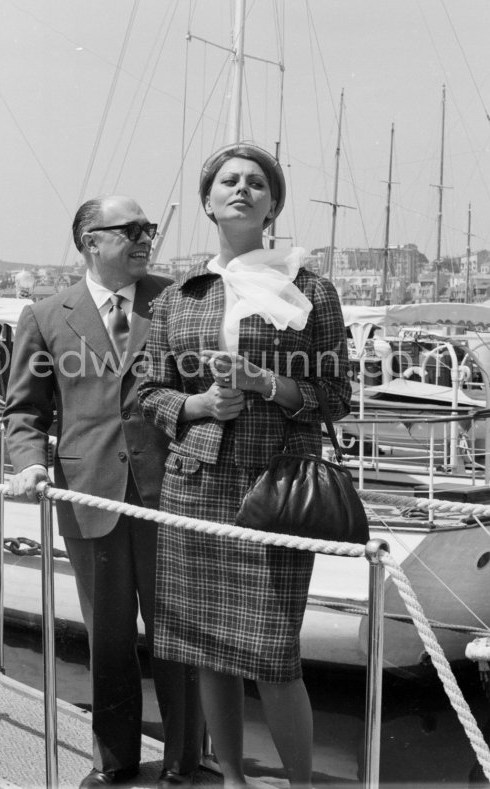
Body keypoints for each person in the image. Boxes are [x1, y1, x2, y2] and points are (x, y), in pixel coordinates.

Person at [138, 143, 351, 789]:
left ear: (273, 203)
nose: (242, 189)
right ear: (208, 202)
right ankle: (231, 779)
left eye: (256, 182)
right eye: (228, 181)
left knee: (277, 657)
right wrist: (199, 402)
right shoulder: (180, 297)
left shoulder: (311, 289)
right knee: (209, 651)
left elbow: (336, 395)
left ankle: (301, 786)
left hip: (276, 487)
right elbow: (149, 391)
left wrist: (269, 384)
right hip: (196, 487)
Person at [3, 195, 203, 789]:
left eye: (150, 229)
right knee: (108, 635)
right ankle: (113, 763)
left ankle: (185, 764)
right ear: (91, 241)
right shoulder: (44, 316)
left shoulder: (176, 301)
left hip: (171, 492)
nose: (146, 238)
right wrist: (28, 465)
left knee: (178, 632)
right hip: (90, 494)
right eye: (132, 230)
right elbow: (25, 412)